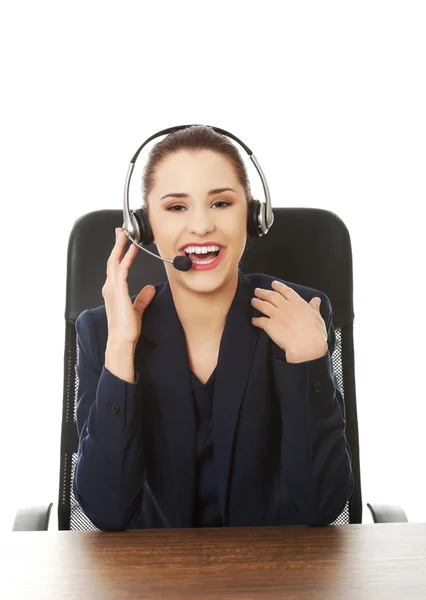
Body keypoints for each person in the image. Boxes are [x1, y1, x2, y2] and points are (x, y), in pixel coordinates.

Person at [73, 125, 353, 531]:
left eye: (221, 203)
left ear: (254, 215)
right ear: (144, 225)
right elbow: (107, 512)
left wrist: (308, 361)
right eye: (176, 207)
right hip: (152, 586)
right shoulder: (104, 331)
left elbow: (320, 507)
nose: (201, 226)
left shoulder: (301, 314)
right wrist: (120, 348)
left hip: (274, 582)